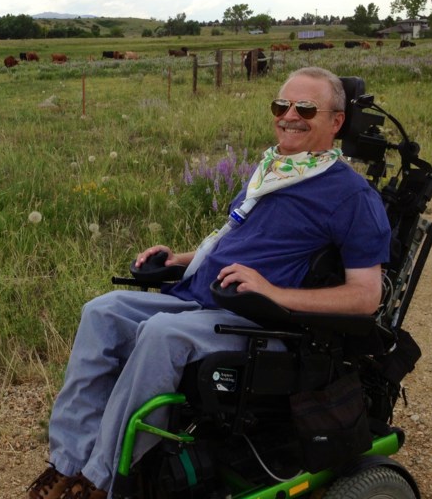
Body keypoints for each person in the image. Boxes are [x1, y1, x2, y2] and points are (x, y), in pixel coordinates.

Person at [26, 67, 392, 499]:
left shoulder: (351, 197)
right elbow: (236, 238)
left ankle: (102, 480)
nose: (290, 115)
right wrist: (179, 259)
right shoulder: (274, 169)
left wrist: (273, 292)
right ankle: (67, 463)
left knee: (162, 334)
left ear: (336, 121)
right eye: (282, 105)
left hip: (262, 323)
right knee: (102, 311)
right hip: (205, 299)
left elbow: (367, 296)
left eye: (306, 108)